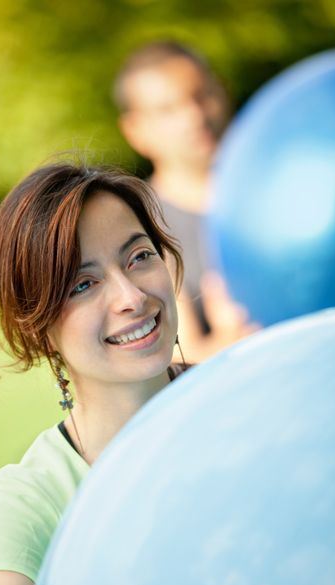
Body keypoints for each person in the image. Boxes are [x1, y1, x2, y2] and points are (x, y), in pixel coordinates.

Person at [0, 161, 186, 585]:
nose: (132, 297)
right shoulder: (30, 502)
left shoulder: (245, 399)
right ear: (37, 325)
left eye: (140, 257)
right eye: (82, 285)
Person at [114, 41, 256, 362]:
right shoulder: (140, 225)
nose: (195, 116)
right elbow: (178, 361)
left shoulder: (280, 183)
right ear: (135, 130)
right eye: (169, 109)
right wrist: (234, 338)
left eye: (202, 95)